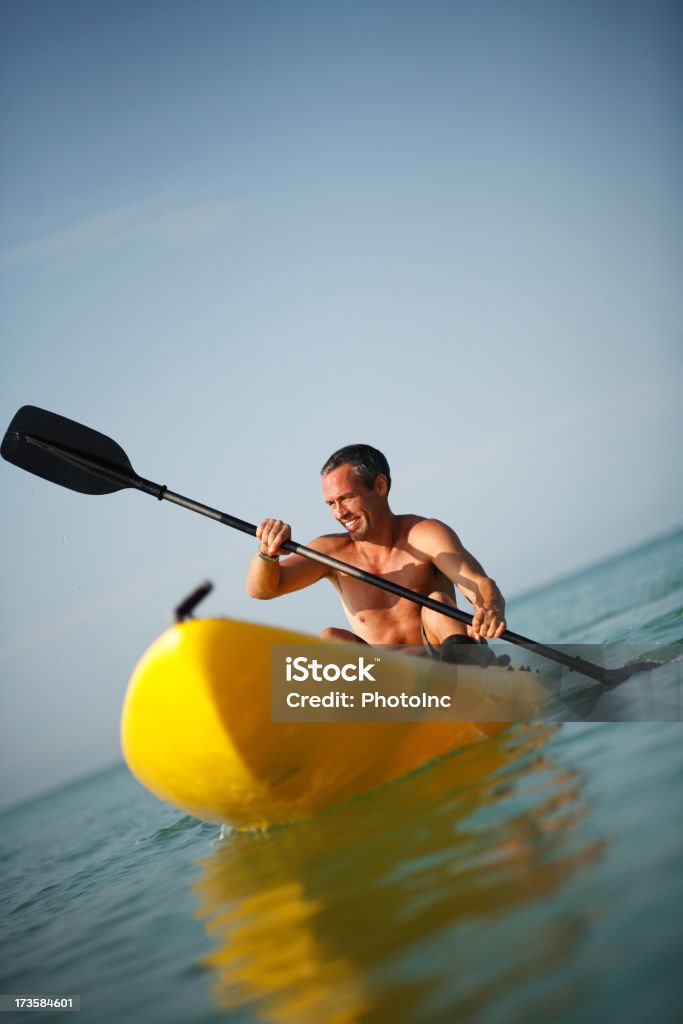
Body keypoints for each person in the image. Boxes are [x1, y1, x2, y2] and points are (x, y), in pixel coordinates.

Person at [246, 444, 508, 664]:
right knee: (331, 639)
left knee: (437, 604)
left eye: (346, 498)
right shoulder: (330, 553)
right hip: (392, 678)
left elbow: (478, 583)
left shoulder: (424, 533)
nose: (339, 513)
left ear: (380, 486)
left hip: (446, 661)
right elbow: (264, 589)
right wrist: (267, 554)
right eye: (331, 503)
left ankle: (469, 684)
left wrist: (488, 608)